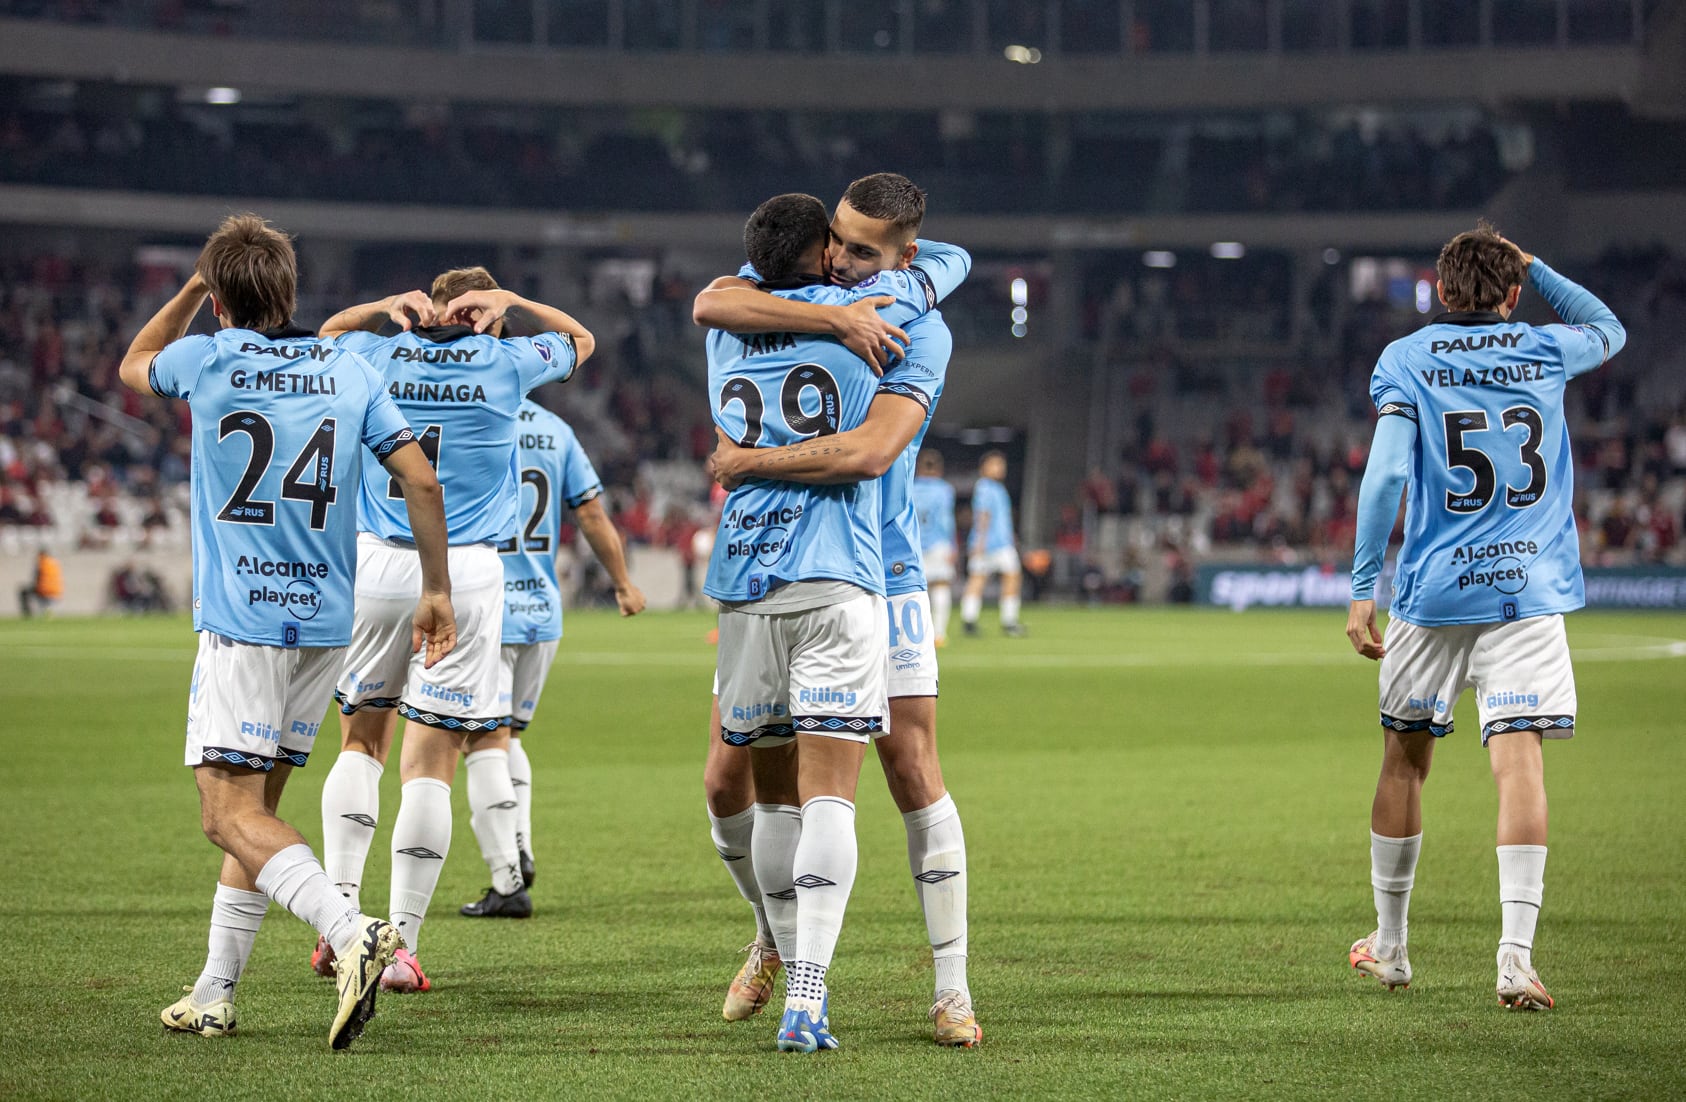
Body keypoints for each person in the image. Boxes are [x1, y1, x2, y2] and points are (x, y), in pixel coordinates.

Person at [117, 213, 456, 1049]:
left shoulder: (208, 356)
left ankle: (352, 932)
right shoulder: (347, 367)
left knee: (223, 812)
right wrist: (436, 590)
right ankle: (214, 991)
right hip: (322, 624)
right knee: (258, 809)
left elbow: (131, 364)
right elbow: (419, 477)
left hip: (242, 622)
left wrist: (195, 285)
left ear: (222, 300)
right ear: (291, 291)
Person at [699, 173, 980, 1046]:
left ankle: (951, 991)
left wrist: (745, 463)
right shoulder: (781, 297)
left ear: (904, 258)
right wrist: (831, 314)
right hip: (778, 573)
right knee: (731, 780)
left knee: (909, 765)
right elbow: (714, 296)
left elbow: (875, 448)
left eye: (864, 251)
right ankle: (776, 940)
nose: (843, 259)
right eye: (837, 241)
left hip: (880, 569)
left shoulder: (916, 320)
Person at [1344, 223, 1625, 1011]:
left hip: (1433, 596)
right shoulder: (1542, 347)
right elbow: (1610, 327)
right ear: (1511, 295)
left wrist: (1365, 584)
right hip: (1527, 592)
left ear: (1439, 291)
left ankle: (1392, 948)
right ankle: (1515, 960)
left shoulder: (1406, 359)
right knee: (1519, 760)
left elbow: (1386, 474)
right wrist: (1540, 266)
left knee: (1404, 760)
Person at [315, 267, 592, 991]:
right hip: (465, 572)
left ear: (428, 309)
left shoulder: (378, 354)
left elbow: (326, 335)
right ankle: (400, 946)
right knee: (431, 763)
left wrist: (383, 306)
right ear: (485, 315)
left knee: (360, 740)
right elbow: (579, 339)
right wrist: (518, 303)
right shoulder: (505, 362)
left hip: (375, 562)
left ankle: (340, 924)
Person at [459, 398, 645, 912]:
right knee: (508, 734)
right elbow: (589, 511)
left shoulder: (467, 412)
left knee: (480, 742)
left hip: (486, 606)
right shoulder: (555, 429)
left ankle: (507, 880)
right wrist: (624, 584)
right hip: (541, 610)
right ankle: (519, 843)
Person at [961, 450, 1026, 636]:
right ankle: (972, 620)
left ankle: (1006, 620)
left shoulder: (998, 488)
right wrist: (980, 541)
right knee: (979, 580)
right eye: (995, 464)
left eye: (1001, 465)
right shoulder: (984, 487)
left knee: (1010, 577)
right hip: (990, 543)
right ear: (984, 467)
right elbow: (983, 515)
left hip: (1002, 541)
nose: (999, 468)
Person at [912, 451, 958, 646]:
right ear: (939, 468)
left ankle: (916, 634)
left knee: (914, 590)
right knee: (941, 585)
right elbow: (946, 519)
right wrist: (953, 544)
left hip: (914, 544)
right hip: (939, 543)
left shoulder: (909, 487)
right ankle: (939, 634)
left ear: (919, 467)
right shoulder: (944, 490)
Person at [18, 548, 63, 618]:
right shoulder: (55, 562)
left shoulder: (41, 562)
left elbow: (36, 577)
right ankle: (47, 610)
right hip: (57, 591)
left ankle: (28, 614)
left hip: (44, 589)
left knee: (24, 591)